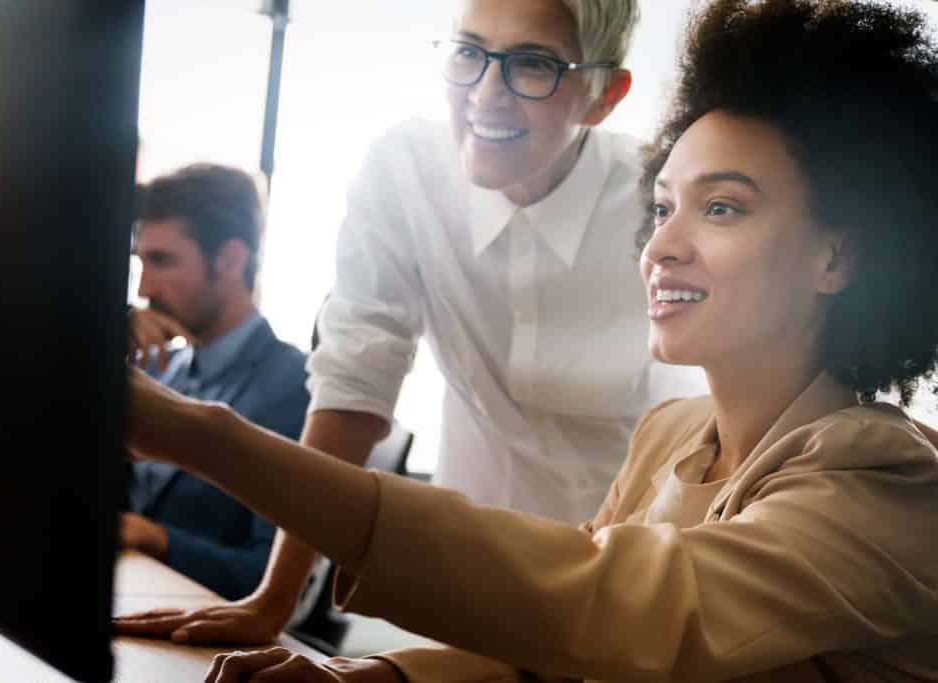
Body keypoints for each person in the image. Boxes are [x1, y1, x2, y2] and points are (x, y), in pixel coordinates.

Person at [122, 0, 938, 680]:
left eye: (721, 207)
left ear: (838, 254)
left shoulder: (883, 482)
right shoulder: (674, 437)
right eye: (662, 210)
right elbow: (557, 652)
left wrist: (199, 434)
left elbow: (607, 606)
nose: (658, 247)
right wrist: (372, 676)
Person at [115, 0, 708, 646]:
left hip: (619, 586)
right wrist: (273, 600)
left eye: (533, 64)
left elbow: (694, 432)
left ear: (604, 96)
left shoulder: (660, 206)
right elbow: (353, 388)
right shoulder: (406, 173)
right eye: (470, 52)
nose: (487, 94)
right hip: (467, 580)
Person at [123, 163, 310, 601]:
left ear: (230, 260)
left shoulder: (293, 387)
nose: (145, 287)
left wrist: (155, 536)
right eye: (140, 262)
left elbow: (270, 579)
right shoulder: (159, 370)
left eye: (162, 261)